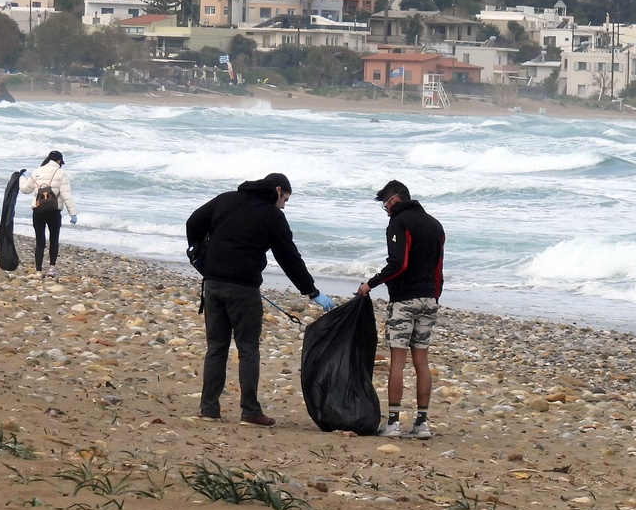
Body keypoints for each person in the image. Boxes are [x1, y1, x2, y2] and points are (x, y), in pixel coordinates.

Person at [186, 172, 333, 427]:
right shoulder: (273, 216)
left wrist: (198, 255)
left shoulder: (226, 199)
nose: (284, 204)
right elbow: (289, 257)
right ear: (277, 190)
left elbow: (193, 222)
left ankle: (209, 409)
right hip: (243, 289)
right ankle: (250, 411)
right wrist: (311, 291)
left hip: (213, 284)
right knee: (248, 349)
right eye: (285, 198)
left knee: (216, 348)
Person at [358, 180, 445, 439]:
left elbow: (398, 263)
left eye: (385, 205)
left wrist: (370, 284)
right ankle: (422, 424)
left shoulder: (399, 222)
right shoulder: (435, 224)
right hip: (429, 298)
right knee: (422, 360)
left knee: (398, 360)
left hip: (405, 299)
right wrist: (435, 295)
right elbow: (438, 267)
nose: (385, 210)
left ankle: (393, 422)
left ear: (395, 199)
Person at [18, 150, 77, 277]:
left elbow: (25, 189)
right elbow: (67, 196)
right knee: (54, 239)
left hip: (38, 211)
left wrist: (21, 178)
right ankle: (51, 268)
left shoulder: (37, 171)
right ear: (59, 161)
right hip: (54, 212)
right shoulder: (61, 173)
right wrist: (73, 213)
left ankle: (38, 270)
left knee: (40, 241)